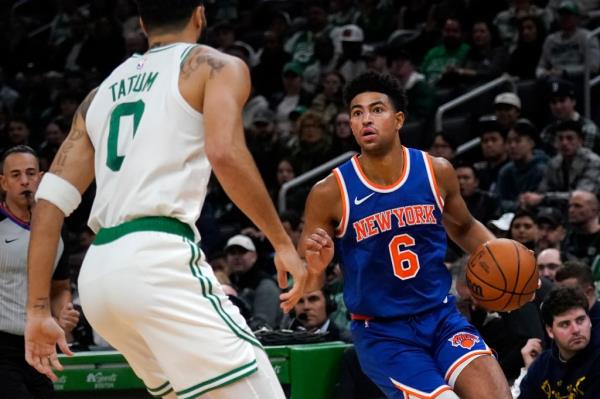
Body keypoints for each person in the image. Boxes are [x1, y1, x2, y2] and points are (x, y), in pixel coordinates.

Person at [24, 2, 307, 399]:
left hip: (100, 276)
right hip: (158, 260)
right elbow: (224, 153)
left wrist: (37, 310)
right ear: (200, 15)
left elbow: (48, 203)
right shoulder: (215, 66)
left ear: (142, 24)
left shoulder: (99, 94)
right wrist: (280, 241)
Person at [299, 71, 511, 398]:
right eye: (357, 113)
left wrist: (505, 258)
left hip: (441, 317)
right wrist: (315, 268)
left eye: (376, 110)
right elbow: (308, 284)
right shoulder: (329, 192)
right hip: (384, 334)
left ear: (398, 120)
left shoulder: (435, 170)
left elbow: (465, 227)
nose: (365, 119)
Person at [0, 145, 79, 399]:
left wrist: (63, 311)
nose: (25, 181)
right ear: (3, 182)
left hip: (37, 345)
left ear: (41, 178)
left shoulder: (57, 228)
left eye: (30, 173)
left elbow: (59, 288)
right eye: (15, 175)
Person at [516, 287, 600, 398]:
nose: (576, 330)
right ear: (550, 331)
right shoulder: (541, 365)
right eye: (565, 324)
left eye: (580, 320)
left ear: (589, 321)